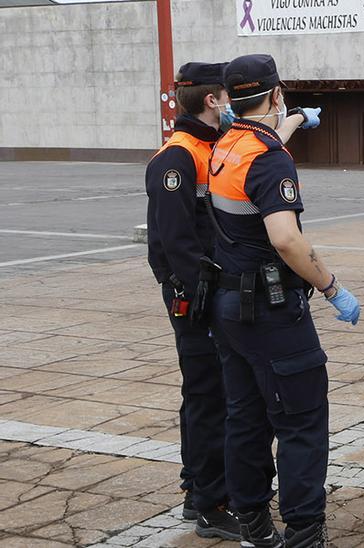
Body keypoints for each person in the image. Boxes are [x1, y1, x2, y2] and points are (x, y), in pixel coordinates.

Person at [208, 54, 359, 548]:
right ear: (275, 94)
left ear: (230, 100)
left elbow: (263, 147)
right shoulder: (269, 160)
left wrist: (295, 120)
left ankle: (251, 518)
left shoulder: (227, 145)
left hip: (230, 307)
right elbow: (287, 240)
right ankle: (304, 531)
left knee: (246, 414)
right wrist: (332, 287)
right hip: (272, 310)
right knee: (301, 421)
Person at [144, 61, 240, 542]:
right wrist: (197, 294)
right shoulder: (177, 158)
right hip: (195, 298)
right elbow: (175, 241)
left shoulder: (208, 148)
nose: (229, 105)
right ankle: (212, 504)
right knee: (210, 397)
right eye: (226, 97)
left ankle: (195, 488)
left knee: (203, 394)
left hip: (205, 292)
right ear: (212, 100)